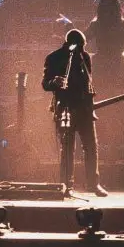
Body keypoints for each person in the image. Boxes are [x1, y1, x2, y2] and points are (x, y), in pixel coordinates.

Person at [43, 28, 105, 196]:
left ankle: (93, 184)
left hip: (84, 110)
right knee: (68, 148)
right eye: (80, 47)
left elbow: (88, 84)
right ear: (71, 45)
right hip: (65, 108)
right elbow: (45, 84)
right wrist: (54, 82)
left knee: (91, 147)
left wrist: (90, 105)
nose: (83, 51)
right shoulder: (54, 58)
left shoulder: (85, 57)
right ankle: (66, 185)